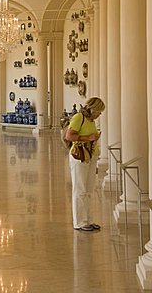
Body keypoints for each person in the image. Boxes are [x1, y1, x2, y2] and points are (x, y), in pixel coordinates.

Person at [65, 96, 105, 232]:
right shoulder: (78, 117)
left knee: (88, 189)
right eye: (99, 111)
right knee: (80, 188)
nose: (100, 114)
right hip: (80, 156)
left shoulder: (91, 120)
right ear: (93, 109)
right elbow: (69, 136)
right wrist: (88, 138)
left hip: (90, 156)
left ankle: (88, 219)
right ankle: (79, 222)